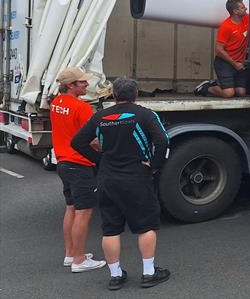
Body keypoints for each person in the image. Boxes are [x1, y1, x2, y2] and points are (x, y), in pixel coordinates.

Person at [71, 77, 170, 290]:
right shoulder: (146, 114)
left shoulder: (100, 116)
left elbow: (77, 142)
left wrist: (100, 160)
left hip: (108, 178)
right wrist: (154, 165)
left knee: (110, 229)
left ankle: (115, 276)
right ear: (135, 94)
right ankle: (149, 273)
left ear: (114, 95)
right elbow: (163, 141)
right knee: (146, 226)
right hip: (137, 177)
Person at [51, 67, 107, 273]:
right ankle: (80, 260)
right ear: (71, 85)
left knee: (72, 208)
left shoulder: (56, 103)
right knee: (84, 211)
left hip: (64, 162)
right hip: (80, 164)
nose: (86, 84)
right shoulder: (82, 108)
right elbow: (92, 140)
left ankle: (70, 254)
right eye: (82, 82)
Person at [195, 0, 250, 98]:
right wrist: (234, 63)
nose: (246, 9)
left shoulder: (246, 18)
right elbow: (219, 50)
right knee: (229, 93)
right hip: (225, 63)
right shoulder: (226, 27)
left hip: (238, 63)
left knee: (241, 93)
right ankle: (206, 87)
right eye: (243, 7)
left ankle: (223, 84)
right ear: (235, 11)